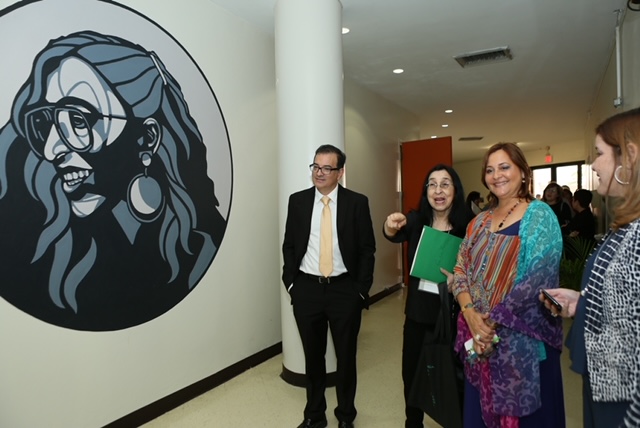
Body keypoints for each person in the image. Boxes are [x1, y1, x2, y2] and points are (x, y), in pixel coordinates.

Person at [0, 31, 227, 330]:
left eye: (78, 121)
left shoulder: (198, 241)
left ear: (146, 138)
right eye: (46, 122)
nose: (51, 149)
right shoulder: (38, 250)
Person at [448, 142, 565, 427]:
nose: (496, 175)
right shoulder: (479, 221)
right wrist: (470, 315)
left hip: (524, 347)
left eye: (504, 167)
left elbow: (538, 278)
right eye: (490, 170)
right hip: (480, 343)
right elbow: (460, 268)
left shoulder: (539, 215)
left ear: (523, 172)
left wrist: (489, 324)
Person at [541, 107, 640, 428]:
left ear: (629, 156)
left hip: (623, 394)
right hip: (606, 380)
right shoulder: (627, 226)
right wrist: (582, 301)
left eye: (599, 154)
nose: (594, 165)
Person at [282, 144, 376, 428]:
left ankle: (346, 416)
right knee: (313, 358)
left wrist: (360, 290)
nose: (319, 173)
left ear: (340, 172)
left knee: (346, 358)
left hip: (344, 290)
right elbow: (289, 245)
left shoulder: (356, 203)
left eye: (326, 168)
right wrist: (291, 283)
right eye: (315, 166)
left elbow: (367, 249)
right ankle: (314, 415)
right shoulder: (298, 201)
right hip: (307, 289)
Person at [383, 164, 473, 428]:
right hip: (418, 313)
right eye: (432, 184)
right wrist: (389, 225)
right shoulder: (416, 221)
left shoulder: (468, 227)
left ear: (455, 190)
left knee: (452, 375)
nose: (438, 190)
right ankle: (413, 422)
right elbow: (391, 233)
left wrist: (461, 280)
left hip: (453, 315)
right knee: (412, 373)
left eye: (445, 184)